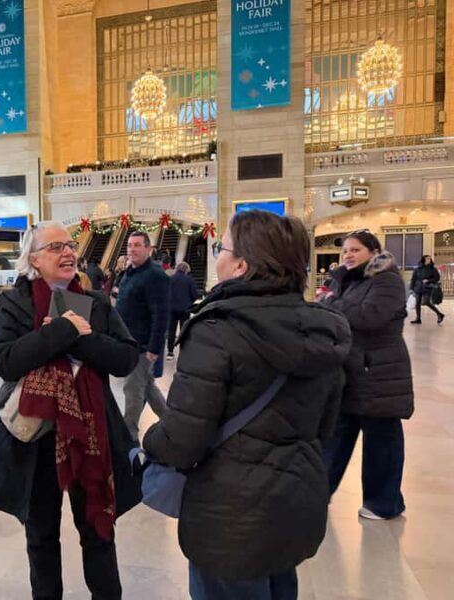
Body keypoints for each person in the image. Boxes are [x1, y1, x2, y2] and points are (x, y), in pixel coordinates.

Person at [144, 210, 351, 600]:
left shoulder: (217, 329)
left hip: (230, 512)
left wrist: (147, 444)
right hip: (295, 497)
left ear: (241, 264)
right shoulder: (323, 327)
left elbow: (183, 437)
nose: (217, 256)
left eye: (221, 247)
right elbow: (329, 425)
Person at [0, 221, 142, 600]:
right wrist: (59, 332)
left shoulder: (96, 302)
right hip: (37, 442)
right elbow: (5, 361)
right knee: (42, 536)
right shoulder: (16, 304)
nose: (68, 252)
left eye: (69, 244)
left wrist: (80, 337)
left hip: (92, 436)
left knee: (99, 532)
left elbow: (126, 357)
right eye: (55, 247)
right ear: (33, 259)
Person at [322, 230, 413, 520]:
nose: (348, 255)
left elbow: (369, 316)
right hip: (350, 370)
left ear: (373, 252)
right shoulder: (350, 282)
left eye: (355, 250)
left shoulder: (387, 280)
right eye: (345, 250)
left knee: (381, 440)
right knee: (335, 437)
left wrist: (330, 303)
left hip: (379, 371)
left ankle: (383, 503)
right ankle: (318, 492)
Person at [116, 231, 169, 438]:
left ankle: (128, 436)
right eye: (129, 245)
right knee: (148, 388)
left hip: (142, 345)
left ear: (149, 249)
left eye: (137, 245)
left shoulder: (155, 276)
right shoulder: (130, 273)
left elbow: (161, 314)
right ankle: (171, 422)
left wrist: (154, 348)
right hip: (128, 342)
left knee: (133, 389)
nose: (132, 249)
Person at [166, 262, 200, 360]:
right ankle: (183, 351)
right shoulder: (189, 280)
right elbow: (195, 294)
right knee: (184, 330)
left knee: (171, 330)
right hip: (185, 309)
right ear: (186, 270)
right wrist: (189, 302)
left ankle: (170, 352)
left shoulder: (170, 279)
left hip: (171, 309)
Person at [409, 254, 444, 324]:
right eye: (427, 259)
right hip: (418, 288)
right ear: (423, 259)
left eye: (430, 259)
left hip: (427, 288)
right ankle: (418, 319)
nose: (429, 260)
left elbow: (437, 278)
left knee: (426, 302)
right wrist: (411, 288)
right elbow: (413, 279)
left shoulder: (433, 269)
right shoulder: (417, 269)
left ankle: (439, 314)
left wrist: (429, 280)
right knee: (417, 304)